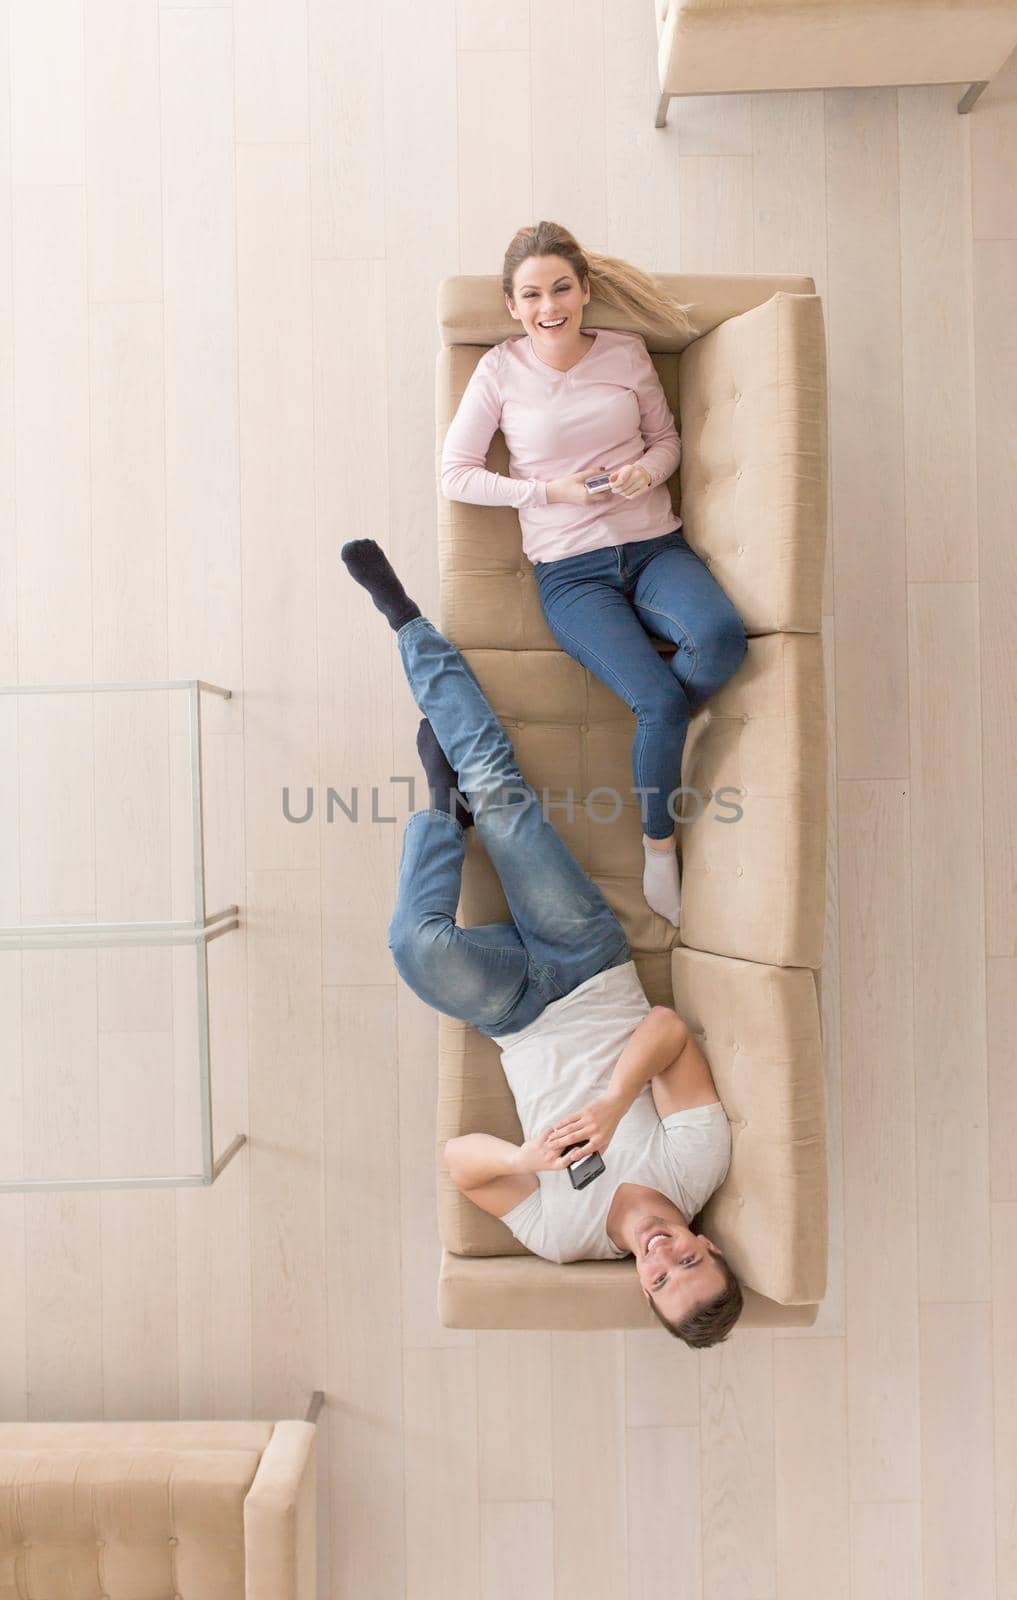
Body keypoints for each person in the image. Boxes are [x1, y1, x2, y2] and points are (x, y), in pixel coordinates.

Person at [340, 536, 743, 1348]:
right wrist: (610, 1102)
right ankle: (406, 623)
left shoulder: (565, 1237)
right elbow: (665, 1032)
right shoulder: (697, 1169)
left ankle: (436, 813)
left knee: (414, 948)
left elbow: (460, 1162)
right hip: (588, 964)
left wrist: (525, 1161)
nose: (663, 1257)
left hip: (514, 1014)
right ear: (711, 1247)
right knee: (498, 788)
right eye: (688, 1263)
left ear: (643, 1288)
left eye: (658, 1282)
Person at [440, 219, 750, 928]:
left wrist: (648, 470)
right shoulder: (499, 371)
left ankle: (660, 729)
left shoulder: (624, 352)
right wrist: (551, 493)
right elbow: (455, 475)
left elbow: (667, 440)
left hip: (653, 547)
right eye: (530, 295)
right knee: (663, 706)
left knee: (723, 642)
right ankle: (658, 845)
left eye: (560, 289)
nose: (548, 306)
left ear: (583, 291)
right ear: (512, 305)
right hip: (570, 573)